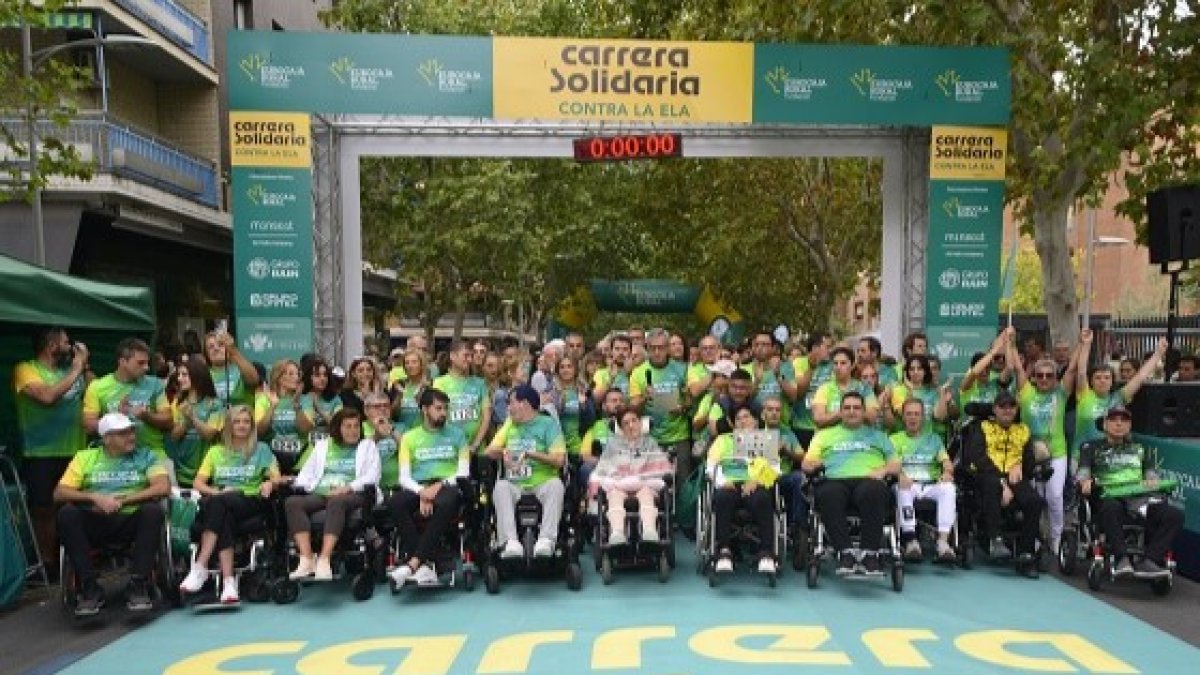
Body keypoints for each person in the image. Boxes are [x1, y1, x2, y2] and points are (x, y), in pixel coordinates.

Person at [55, 413, 170, 616]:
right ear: (106, 438)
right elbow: (60, 492)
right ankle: (89, 588)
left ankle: (138, 584)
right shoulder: (85, 457)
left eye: (132, 431)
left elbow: (162, 487)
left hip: (130, 519)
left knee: (153, 511)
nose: (131, 437)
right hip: (95, 520)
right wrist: (94, 498)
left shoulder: (146, 455)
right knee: (67, 514)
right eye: (123, 433)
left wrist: (122, 501)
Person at [179, 405, 282, 603]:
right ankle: (228, 582)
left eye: (246, 422)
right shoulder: (215, 452)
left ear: (251, 426)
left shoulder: (261, 450)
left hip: (249, 500)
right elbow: (198, 483)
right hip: (222, 503)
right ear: (228, 425)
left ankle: (200, 566)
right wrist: (217, 492)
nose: (242, 426)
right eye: (237, 421)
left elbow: (276, 478)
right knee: (222, 514)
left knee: (219, 504)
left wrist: (269, 482)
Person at [13, 326, 90, 575]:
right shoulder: (25, 370)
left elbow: (95, 395)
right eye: (66, 342)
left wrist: (84, 369)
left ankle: (77, 560)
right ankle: (48, 564)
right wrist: (77, 368)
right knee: (44, 510)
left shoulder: (74, 371)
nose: (70, 347)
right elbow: (47, 397)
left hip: (76, 452)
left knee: (74, 509)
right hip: (41, 453)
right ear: (51, 344)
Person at [1077, 406, 1183, 578]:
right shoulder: (1091, 447)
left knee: (1174, 515)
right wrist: (1084, 481)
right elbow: (1083, 471)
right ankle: (1122, 559)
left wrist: (1152, 480)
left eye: (1124, 420)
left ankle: (1150, 560)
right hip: (1108, 497)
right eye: (1113, 419)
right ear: (1104, 424)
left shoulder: (1140, 449)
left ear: (1129, 425)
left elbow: (1151, 474)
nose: (1119, 424)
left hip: (1139, 499)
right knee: (1111, 508)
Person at [802, 392, 900, 576]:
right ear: (840, 412)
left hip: (869, 480)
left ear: (864, 412)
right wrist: (815, 464)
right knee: (829, 493)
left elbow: (896, 465)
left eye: (856, 408)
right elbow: (806, 464)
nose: (851, 412)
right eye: (847, 408)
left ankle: (870, 554)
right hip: (835, 480)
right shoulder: (823, 435)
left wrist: (884, 470)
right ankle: (845, 552)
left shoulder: (879, 436)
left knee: (874, 491)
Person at [386, 388, 470, 587]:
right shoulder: (409, 438)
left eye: (445, 409)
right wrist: (422, 492)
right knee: (395, 502)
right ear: (425, 410)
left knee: (446, 501)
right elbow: (404, 477)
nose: (443, 413)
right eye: (438, 408)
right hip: (419, 485)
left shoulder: (458, 435)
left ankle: (415, 562)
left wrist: (437, 486)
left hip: (448, 484)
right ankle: (426, 564)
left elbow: (463, 472)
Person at [286, 408, 380, 581]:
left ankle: (324, 558)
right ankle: (307, 558)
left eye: (356, 426)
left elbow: (372, 476)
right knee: (292, 502)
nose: (353, 430)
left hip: (354, 494)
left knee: (337, 502)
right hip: (323, 492)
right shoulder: (323, 446)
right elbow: (304, 476)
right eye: (348, 426)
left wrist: (348, 487)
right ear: (338, 428)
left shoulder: (367, 446)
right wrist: (317, 488)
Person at [960, 390, 1046, 576]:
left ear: (1016, 410)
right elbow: (977, 457)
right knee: (992, 484)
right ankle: (995, 539)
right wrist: (1002, 482)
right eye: (1002, 406)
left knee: (1035, 501)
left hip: (1015, 476)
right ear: (994, 409)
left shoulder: (1023, 430)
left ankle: (1026, 552)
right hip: (987, 474)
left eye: (1011, 406)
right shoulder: (983, 427)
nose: (1007, 410)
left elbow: (1029, 463)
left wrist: (1021, 465)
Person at [484, 385, 567, 559]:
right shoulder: (509, 424)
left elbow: (559, 460)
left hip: (542, 481)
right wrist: (505, 452)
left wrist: (529, 454)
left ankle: (546, 540)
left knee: (556, 485)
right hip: (515, 482)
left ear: (525, 404)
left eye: (511, 403)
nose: (508, 407)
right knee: (500, 487)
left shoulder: (548, 424)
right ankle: (510, 542)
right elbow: (489, 451)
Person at [1016, 351, 1077, 553]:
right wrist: (1010, 343)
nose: (1044, 379)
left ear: (1055, 378)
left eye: (1049, 375)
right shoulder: (1026, 392)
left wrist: (1083, 345)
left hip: (1056, 453)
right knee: (1034, 499)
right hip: (1030, 454)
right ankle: (1034, 536)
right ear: (1033, 377)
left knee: (1054, 496)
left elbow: (1072, 369)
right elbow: (1017, 366)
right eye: (1039, 375)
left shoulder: (1061, 393)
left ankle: (1056, 538)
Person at [706, 406, 780, 574]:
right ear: (733, 423)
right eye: (738, 418)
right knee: (723, 498)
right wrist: (723, 481)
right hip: (729, 484)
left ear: (755, 421)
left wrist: (757, 481)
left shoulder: (764, 439)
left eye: (746, 417)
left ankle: (766, 554)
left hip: (755, 485)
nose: (742, 421)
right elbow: (710, 467)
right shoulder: (722, 440)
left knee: (762, 499)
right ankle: (724, 551)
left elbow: (775, 469)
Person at [589, 408, 672, 546]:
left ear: (640, 423)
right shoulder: (612, 445)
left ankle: (649, 531)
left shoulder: (651, 443)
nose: (631, 426)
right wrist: (619, 479)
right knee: (615, 495)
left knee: (646, 493)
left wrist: (642, 479)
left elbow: (662, 467)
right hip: (619, 486)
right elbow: (603, 468)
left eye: (634, 421)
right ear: (621, 428)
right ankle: (617, 533)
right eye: (626, 423)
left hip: (645, 485)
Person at [1074, 330, 1165, 457]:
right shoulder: (1084, 395)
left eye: (1106, 377)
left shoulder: (1119, 397)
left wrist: (1158, 354)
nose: (1102, 381)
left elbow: (1140, 376)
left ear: (1112, 381)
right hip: (1081, 457)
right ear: (1091, 381)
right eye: (1098, 377)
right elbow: (1081, 371)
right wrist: (1086, 344)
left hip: (1110, 459)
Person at [82, 338, 173, 459]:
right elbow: (88, 426)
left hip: (152, 455)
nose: (146, 367)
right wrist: (115, 416)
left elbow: (168, 421)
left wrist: (146, 416)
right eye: (140, 363)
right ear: (123, 361)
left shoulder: (155, 384)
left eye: (147, 362)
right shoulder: (97, 387)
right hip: (114, 458)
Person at [890, 398, 957, 561]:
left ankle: (943, 542)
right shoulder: (894, 439)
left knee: (949, 488)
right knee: (902, 488)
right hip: (908, 483)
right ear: (903, 417)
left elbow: (947, 462)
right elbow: (890, 465)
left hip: (931, 484)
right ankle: (911, 540)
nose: (913, 418)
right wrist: (900, 476)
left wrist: (948, 472)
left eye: (916, 414)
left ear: (922, 417)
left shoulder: (934, 439)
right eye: (909, 414)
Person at [630, 329, 691, 485]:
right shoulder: (638, 373)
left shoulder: (682, 369)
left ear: (668, 348)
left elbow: (690, 401)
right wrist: (645, 397)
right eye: (653, 348)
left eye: (661, 347)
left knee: (683, 484)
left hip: (679, 436)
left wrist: (683, 407)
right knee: (652, 485)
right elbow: (633, 409)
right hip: (650, 437)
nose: (657, 352)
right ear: (647, 347)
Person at [167, 359, 225, 487]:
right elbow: (174, 436)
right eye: (179, 375)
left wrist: (193, 418)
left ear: (197, 376)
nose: (180, 379)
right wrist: (186, 422)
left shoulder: (215, 404)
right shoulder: (178, 403)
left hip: (208, 470)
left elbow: (210, 434)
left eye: (184, 375)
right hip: (183, 471)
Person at [433, 341, 492, 463]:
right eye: (466, 355)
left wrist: (475, 445)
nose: (470, 360)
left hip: (477, 450)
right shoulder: (439, 383)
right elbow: (437, 416)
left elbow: (486, 417)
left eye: (471, 356)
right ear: (453, 356)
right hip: (451, 449)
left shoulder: (480, 384)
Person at [254, 359, 306, 474]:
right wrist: (273, 406)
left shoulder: (304, 399)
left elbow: (306, 430)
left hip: (299, 456)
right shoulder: (263, 399)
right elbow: (259, 432)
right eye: (291, 374)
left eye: (297, 374)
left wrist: (297, 403)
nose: (296, 377)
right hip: (271, 457)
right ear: (278, 377)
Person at [812, 347, 879, 429]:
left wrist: (841, 414)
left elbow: (872, 417)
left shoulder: (864, 389)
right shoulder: (824, 389)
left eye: (843, 363)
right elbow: (818, 419)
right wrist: (846, 413)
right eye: (835, 363)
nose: (838, 367)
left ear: (852, 365)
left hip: (856, 439)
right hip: (830, 439)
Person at [743, 331, 799, 428]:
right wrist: (756, 381)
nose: (760, 348)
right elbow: (743, 402)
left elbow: (793, 396)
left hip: (781, 428)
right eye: (756, 344)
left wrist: (778, 376)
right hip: (752, 429)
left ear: (773, 348)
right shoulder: (744, 369)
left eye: (764, 344)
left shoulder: (786, 367)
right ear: (752, 347)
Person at [882, 355, 950, 434]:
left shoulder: (933, 391)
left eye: (919, 369)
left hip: (926, 440)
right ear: (906, 372)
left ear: (925, 371)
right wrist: (909, 390)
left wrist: (941, 392)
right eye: (911, 369)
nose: (915, 372)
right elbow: (904, 414)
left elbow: (940, 417)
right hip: (903, 441)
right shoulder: (898, 389)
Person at [792, 333, 833, 447]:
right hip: (802, 427)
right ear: (815, 348)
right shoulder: (799, 363)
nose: (830, 350)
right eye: (827, 347)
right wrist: (811, 368)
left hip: (825, 427)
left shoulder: (832, 365)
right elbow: (800, 392)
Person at [295, 357, 344, 451]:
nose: (322, 379)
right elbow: (304, 429)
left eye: (325, 375)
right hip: (305, 449)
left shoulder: (335, 399)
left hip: (329, 448)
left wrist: (319, 408)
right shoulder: (303, 397)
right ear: (309, 377)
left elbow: (338, 425)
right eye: (317, 375)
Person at [205, 330, 260, 408]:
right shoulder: (204, 374)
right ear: (207, 354)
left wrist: (233, 350)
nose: (216, 348)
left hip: (242, 418)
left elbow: (254, 380)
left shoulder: (241, 369)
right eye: (211, 347)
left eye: (221, 345)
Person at [552, 356, 591, 459]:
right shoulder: (552, 393)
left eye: (569, 366)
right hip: (558, 447)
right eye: (562, 367)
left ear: (575, 369)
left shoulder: (584, 390)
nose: (566, 370)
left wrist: (584, 406)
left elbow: (590, 421)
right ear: (558, 370)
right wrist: (559, 404)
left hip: (579, 446)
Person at [593, 334, 634, 403]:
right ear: (611, 351)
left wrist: (629, 374)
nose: (621, 353)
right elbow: (595, 399)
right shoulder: (601, 373)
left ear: (630, 352)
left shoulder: (637, 372)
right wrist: (611, 378)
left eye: (625, 349)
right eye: (617, 349)